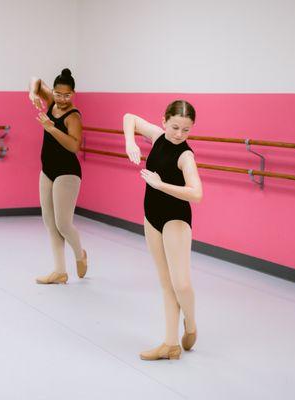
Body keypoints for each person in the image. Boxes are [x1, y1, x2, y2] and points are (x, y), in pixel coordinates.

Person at [123, 100, 202, 360]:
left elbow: (196, 193)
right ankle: (170, 344)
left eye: (186, 130)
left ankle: (190, 324)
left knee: (181, 283)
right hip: (151, 216)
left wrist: (160, 184)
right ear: (164, 120)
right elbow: (129, 116)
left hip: (175, 218)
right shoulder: (157, 137)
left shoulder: (186, 156)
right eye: (175, 127)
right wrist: (130, 142)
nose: (179, 134)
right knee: (166, 283)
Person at [28, 68, 88, 284]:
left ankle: (80, 254)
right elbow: (35, 79)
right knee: (49, 223)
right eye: (58, 94)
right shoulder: (52, 101)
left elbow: (74, 146)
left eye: (67, 95)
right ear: (54, 91)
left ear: (74, 93)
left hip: (68, 173)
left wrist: (51, 128)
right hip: (47, 170)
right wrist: (32, 93)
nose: (62, 99)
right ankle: (60, 271)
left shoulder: (73, 116)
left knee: (63, 223)